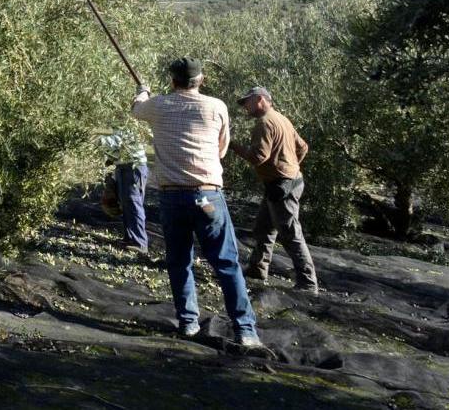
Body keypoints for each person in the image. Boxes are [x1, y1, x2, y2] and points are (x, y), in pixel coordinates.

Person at [131, 58, 261, 347]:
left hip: (172, 196)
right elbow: (222, 150)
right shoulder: (216, 107)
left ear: (173, 81)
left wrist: (142, 91)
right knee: (226, 263)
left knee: (179, 262)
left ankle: (188, 324)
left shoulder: (158, 105)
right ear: (200, 80)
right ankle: (246, 331)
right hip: (208, 195)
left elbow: (137, 109)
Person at [230, 86, 319, 294]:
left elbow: (258, 157)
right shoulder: (281, 118)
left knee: (290, 234)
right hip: (286, 182)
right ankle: (257, 269)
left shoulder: (264, 123)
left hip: (282, 185)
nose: (245, 107)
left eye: (247, 102)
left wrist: (233, 146)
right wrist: (292, 166)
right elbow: (303, 147)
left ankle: (308, 283)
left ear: (260, 100)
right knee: (263, 228)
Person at [99, 126, 150, 252]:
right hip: (124, 166)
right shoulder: (119, 121)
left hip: (133, 167)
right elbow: (121, 147)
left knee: (133, 204)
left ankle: (140, 242)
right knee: (126, 204)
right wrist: (111, 159)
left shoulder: (128, 121)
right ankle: (130, 238)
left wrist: (98, 142)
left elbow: (121, 139)